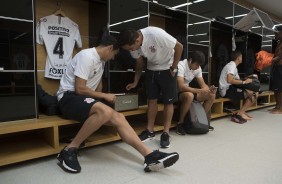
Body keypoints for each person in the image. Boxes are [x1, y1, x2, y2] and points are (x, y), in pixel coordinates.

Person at [56, 35, 179, 173]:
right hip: (68, 98)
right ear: (109, 48)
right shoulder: (86, 56)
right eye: (114, 54)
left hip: (83, 99)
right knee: (105, 111)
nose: (113, 58)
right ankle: (69, 150)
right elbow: (80, 88)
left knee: (119, 117)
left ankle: (149, 156)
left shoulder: (100, 61)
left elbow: (97, 86)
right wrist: (104, 97)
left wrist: (100, 100)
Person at [118, 26, 183, 148]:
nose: (131, 50)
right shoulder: (132, 44)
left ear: (137, 41)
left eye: (131, 48)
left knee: (168, 102)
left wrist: (174, 67)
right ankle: (150, 131)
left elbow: (179, 46)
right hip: (151, 68)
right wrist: (136, 81)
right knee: (151, 100)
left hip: (167, 68)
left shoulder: (156, 35)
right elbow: (139, 63)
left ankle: (166, 133)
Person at [176, 51, 217, 135]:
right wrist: (198, 90)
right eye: (197, 65)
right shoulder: (181, 65)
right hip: (177, 92)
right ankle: (180, 124)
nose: (198, 67)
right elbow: (181, 86)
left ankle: (201, 121)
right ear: (190, 60)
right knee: (189, 95)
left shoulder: (198, 68)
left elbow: (203, 85)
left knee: (211, 96)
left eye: (199, 65)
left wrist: (209, 89)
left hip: (189, 91)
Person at [219, 50, 257, 124]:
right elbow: (230, 80)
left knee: (254, 92)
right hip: (226, 90)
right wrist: (244, 82)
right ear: (238, 58)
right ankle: (240, 113)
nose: (242, 58)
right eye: (241, 57)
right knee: (251, 94)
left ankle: (242, 112)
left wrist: (250, 77)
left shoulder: (234, 67)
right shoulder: (231, 65)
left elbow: (238, 80)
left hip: (230, 88)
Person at [269, 30, 282, 114]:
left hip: (281, 67)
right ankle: (277, 105)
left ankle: (280, 108)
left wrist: (269, 60)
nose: (275, 35)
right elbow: (275, 56)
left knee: (280, 88)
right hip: (276, 67)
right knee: (275, 87)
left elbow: (280, 56)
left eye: (277, 33)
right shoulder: (278, 43)